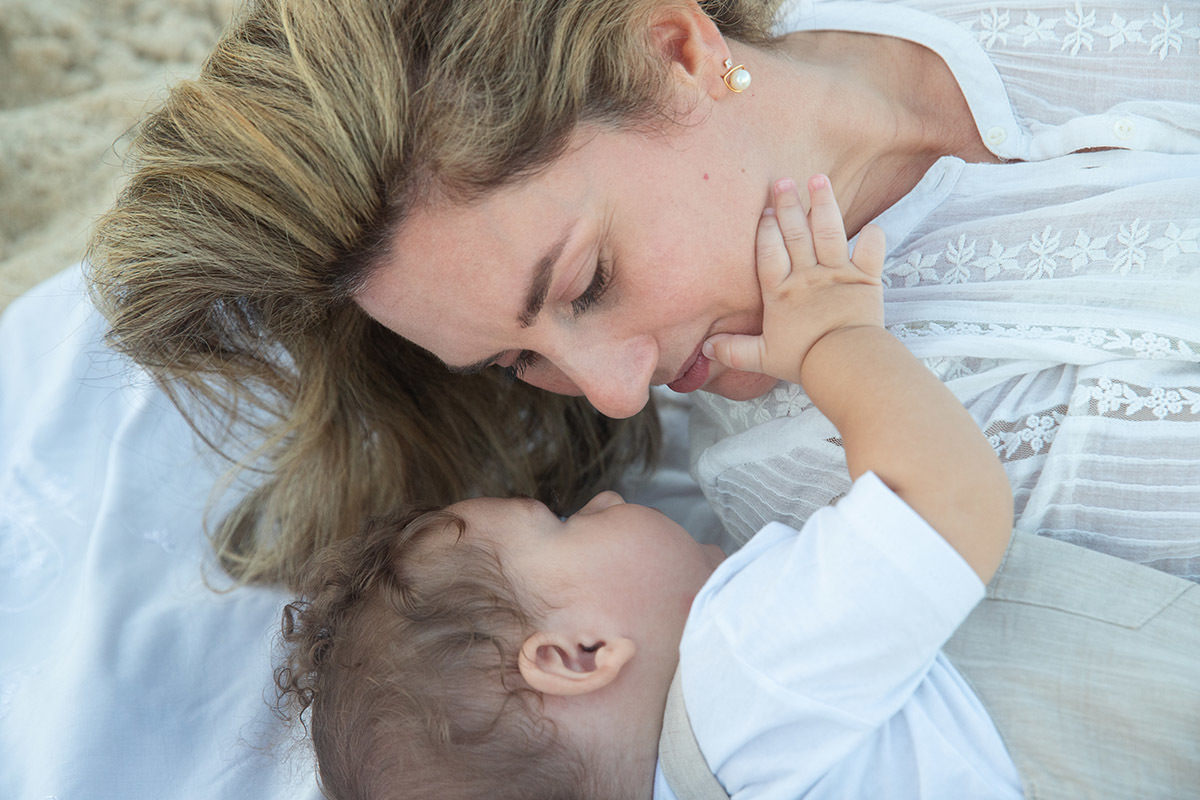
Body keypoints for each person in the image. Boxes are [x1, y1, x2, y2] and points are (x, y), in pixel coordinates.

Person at [85, 0, 1200, 588]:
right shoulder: (842, 474)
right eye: (517, 361)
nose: (616, 392)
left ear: (676, 49)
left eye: (587, 281)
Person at [272, 178, 1200, 800]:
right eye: (560, 523)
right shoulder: (741, 675)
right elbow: (945, 502)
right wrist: (835, 342)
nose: (600, 502)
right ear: (580, 651)